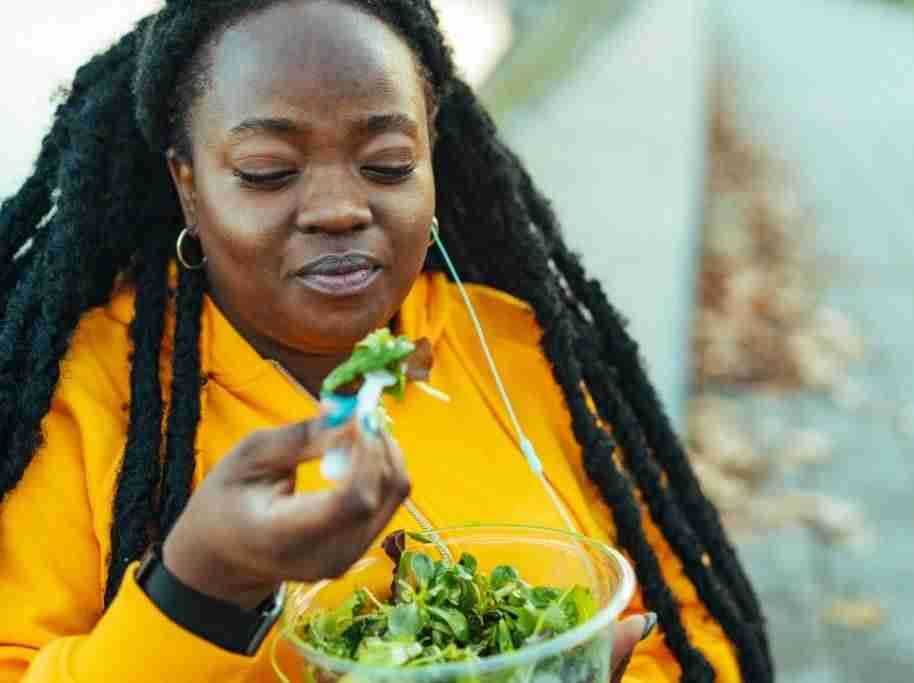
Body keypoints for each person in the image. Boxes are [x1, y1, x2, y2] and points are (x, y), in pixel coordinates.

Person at [0, 1, 772, 681]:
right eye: (269, 171)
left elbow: (700, 632)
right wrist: (199, 588)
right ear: (190, 184)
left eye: (387, 164)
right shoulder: (89, 395)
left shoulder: (519, 350)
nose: (339, 207)